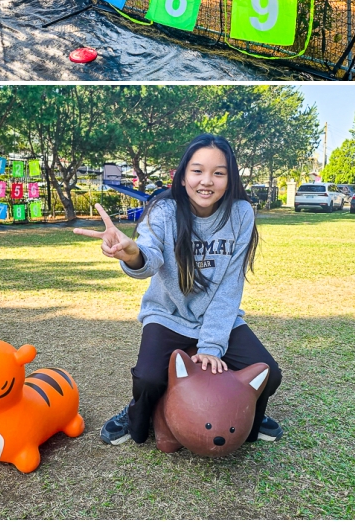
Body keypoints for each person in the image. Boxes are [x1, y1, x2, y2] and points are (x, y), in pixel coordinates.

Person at [74, 133, 283, 447]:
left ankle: (248, 413)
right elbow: (149, 257)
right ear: (183, 176)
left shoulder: (241, 213)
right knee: (148, 379)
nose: (207, 181)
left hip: (217, 316)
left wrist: (211, 345)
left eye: (219, 172)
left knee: (270, 374)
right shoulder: (164, 210)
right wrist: (131, 252)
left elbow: (229, 287)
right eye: (197, 170)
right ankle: (133, 415)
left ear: (230, 178)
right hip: (168, 314)